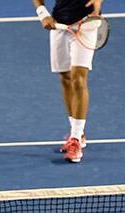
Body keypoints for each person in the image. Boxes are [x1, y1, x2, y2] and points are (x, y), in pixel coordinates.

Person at [33, 0, 104, 164]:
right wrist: (43, 14)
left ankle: (75, 140)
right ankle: (77, 131)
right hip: (59, 24)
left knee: (78, 78)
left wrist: (98, 3)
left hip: (86, 23)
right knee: (65, 78)